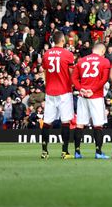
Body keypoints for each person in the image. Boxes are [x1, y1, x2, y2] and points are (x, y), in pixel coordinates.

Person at [71, 42, 111, 159]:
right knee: (98, 125)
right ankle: (98, 152)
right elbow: (104, 79)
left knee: (80, 124)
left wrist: (81, 89)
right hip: (96, 96)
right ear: (103, 51)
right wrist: (92, 90)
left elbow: (74, 78)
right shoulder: (105, 61)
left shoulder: (82, 60)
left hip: (83, 96)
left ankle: (77, 152)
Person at [40, 30, 75, 159]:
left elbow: (44, 72)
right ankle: (64, 151)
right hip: (64, 91)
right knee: (65, 121)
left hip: (50, 91)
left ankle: (44, 151)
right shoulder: (68, 54)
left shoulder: (46, 54)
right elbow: (72, 73)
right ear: (62, 40)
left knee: (47, 122)